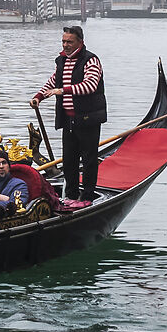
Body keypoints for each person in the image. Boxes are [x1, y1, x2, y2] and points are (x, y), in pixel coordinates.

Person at [31, 25, 107, 202]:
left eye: (69, 42)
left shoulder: (91, 61)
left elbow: (90, 85)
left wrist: (62, 91)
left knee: (89, 160)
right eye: (63, 41)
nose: (65, 45)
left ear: (80, 42)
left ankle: (87, 197)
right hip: (69, 120)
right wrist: (39, 97)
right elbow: (53, 81)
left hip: (88, 119)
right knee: (69, 161)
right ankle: (71, 196)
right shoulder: (62, 61)